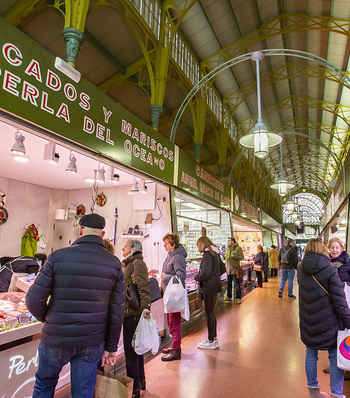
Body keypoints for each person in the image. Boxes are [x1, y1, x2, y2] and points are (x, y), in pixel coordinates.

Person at [25, 213, 125, 398]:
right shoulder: (114, 264)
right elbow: (116, 311)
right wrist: (111, 347)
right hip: (91, 341)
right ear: (102, 234)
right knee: (83, 392)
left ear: (80, 230)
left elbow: (33, 299)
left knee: (44, 385)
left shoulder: (57, 257)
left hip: (55, 338)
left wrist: (48, 317)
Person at [298, 238, 350, 398]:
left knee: (311, 354)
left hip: (308, 320)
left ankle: (313, 392)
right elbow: (340, 301)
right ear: (323, 250)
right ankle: (336, 394)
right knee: (334, 356)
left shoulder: (300, 268)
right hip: (330, 322)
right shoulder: (329, 270)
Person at [122, 239, 151, 398]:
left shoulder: (136, 263)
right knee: (136, 349)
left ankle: (134, 390)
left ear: (133, 249)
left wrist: (146, 308)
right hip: (130, 312)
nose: (122, 248)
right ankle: (141, 382)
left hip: (132, 313)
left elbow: (143, 287)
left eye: (125, 246)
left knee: (131, 353)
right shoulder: (129, 263)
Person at [323, 237, 350, 377]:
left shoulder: (347, 262)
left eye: (337, 247)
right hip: (330, 303)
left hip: (345, 301)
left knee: (346, 332)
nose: (334, 250)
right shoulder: (326, 263)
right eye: (332, 247)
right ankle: (335, 363)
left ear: (342, 248)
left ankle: (346, 365)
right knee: (333, 333)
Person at [161, 232, 187, 361]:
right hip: (168, 293)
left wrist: (164, 277)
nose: (164, 246)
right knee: (170, 321)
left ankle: (176, 349)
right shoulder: (171, 255)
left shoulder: (178, 257)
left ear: (173, 244)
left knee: (174, 321)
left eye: (166, 243)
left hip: (174, 295)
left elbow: (181, 276)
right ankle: (175, 346)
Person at [195, 236, 222, 349]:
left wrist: (197, 277)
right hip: (215, 285)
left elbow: (205, 273)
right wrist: (215, 276)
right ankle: (213, 338)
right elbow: (223, 268)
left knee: (209, 313)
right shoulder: (215, 254)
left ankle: (211, 341)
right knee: (212, 313)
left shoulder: (207, 255)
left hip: (209, 287)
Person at [223, 237, 244, 304]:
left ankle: (238, 298)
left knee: (236, 284)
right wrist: (224, 256)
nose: (228, 242)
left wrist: (234, 256)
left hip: (235, 269)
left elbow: (242, 257)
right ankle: (229, 297)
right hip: (228, 269)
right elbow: (226, 256)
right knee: (229, 284)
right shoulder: (227, 248)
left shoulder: (238, 248)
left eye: (229, 241)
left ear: (233, 242)